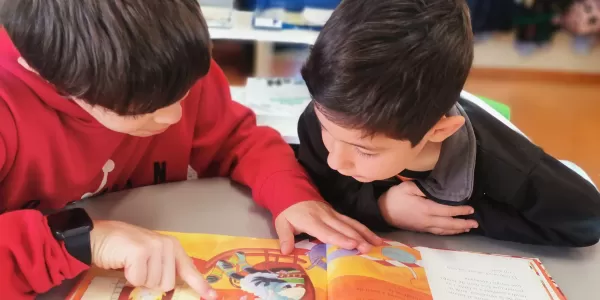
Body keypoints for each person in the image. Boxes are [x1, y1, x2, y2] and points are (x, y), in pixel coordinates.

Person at [0, 1, 381, 299]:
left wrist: (291, 194)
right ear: (50, 79)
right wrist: (85, 240)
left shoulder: (165, 65)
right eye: (141, 111)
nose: (174, 115)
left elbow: (237, 138)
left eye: (185, 93)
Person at [297, 0, 600, 248]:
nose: (335, 159)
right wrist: (383, 209)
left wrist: (453, 216)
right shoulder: (329, 115)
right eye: (327, 131)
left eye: (365, 151)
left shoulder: (511, 169)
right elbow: (323, 183)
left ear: (437, 132)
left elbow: (587, 221)